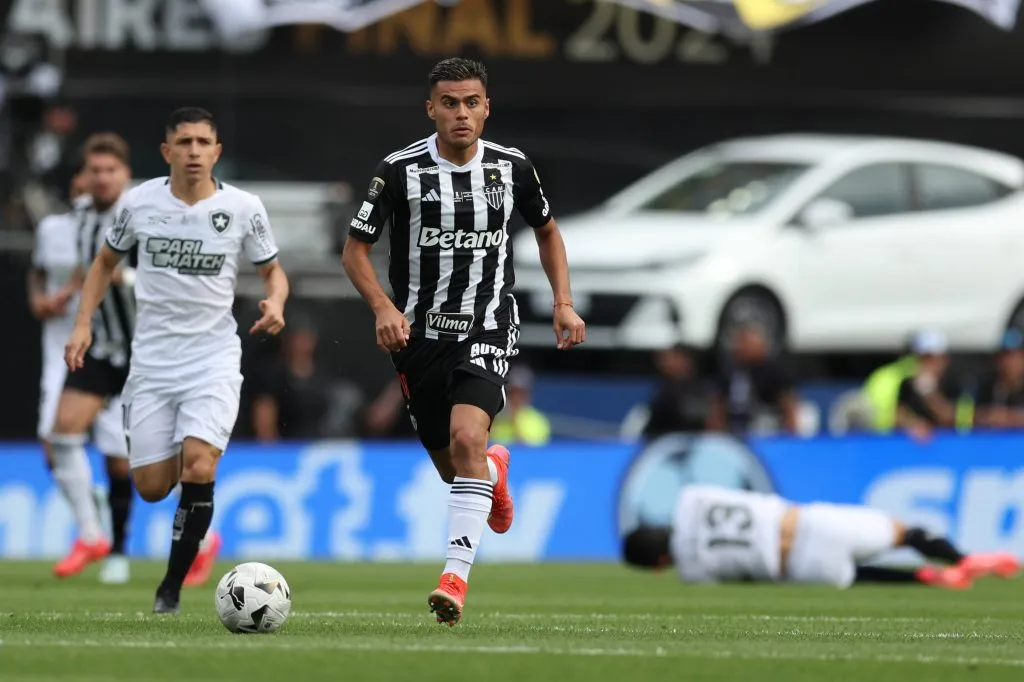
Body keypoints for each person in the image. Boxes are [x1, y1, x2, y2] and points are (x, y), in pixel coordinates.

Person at [341, 57, 585, 626]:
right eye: (449, 103)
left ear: (486, 107)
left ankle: (454, 578)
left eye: (471, 102)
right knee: (459, 468)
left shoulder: (513, 168)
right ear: (431, 108)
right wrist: (383, 307)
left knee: (466, 434)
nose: (461, 113)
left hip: (487, 323)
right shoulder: (398, 171)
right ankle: (493, 474)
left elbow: (547, 231)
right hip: (417, 336)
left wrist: (563, 301)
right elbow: (354, 250)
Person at [64, 107, 289, 614]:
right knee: (150, 487)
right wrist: (82, 323)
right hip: (152, 364)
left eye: (202, 142)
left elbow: (274, 272)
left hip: (213, 358)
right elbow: (103, 266)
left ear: (216, 151)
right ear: (167, 152)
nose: (193, 151)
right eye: (183, 142)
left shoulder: (244, 208)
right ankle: (194, 539)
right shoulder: (138, 204)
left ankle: (170, 589)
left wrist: (276, 301)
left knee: (200, 463)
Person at [43, 135, 138, 584]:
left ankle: (190, 538)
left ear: (126, 175)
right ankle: (92, 535)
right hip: (100, 346)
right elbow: (88, 267)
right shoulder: (79, 220)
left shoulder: (147, 215)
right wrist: (69, 294)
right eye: (94, 170)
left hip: (147, 350)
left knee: (129, 463)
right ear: (85, 175)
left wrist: (126, 277)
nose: (101, 178)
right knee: (61, 435)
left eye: (110, 170)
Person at [622, 484, 1020, 589]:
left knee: (854, 577)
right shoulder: (690, 498)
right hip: (806, 523)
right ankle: (963, 560)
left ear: (658, 565)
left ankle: (928, 579)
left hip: (797, 567)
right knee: (904, 533)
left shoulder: (691, 572)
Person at [489, 365, 551, 445]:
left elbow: (533, 453)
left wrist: (515, 422)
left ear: (528, 394)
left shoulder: (539, 422)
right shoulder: (493, 421)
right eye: (512, 393)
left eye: (520, 393)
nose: (516, 398)